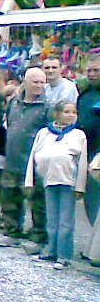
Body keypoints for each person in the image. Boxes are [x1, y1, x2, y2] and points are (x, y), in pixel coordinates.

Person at [0, 67, 50, 247]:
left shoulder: (48, 108)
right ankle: (11, 232)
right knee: (9, 198)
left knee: (38, 202)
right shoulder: (14, 103)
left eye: (42, 82)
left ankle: (39, 236)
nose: (39, 86)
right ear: (25, 81)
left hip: (33, 163)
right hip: (12, 160)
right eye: (35, 81)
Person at [26, 101, 87, 269]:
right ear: (57, 114)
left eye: (73, 112)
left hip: (68, 182)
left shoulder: (78, 135)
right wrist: (29, 180)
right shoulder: (44, 133)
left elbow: (82, 162)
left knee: (65, 221)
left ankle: (64, 255)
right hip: (48, 180)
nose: (70, 115)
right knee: (52, 218)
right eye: (66, 111)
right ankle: (51, 250)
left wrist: (80, 186)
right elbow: (33, 155)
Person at [77, 56, 100, 265]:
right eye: (90, 70)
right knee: (90, 202)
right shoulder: (85, 95)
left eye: (96, 70)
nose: (92, 74)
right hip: (85, 154)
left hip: (99, 157)